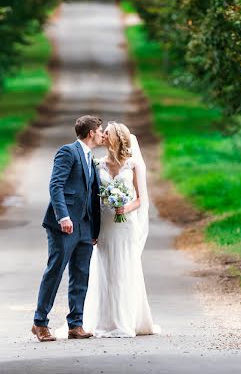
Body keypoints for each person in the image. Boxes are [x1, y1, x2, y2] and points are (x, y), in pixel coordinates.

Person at [82, 121, 159, 337]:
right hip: (105, 225)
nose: (103, 135)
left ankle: (126, 320)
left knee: (125, 270)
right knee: (105, 271)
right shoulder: (97, 164)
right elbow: (92, 198)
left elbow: (142, 199)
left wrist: (124, 208)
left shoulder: (133, 165)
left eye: (107, 133)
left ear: (117, 138)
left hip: (126, 227)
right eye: (102, 132)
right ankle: (104, 321)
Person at [31, 115, 103, 342]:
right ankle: (40, 323)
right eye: (101, 131)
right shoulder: (68, 152)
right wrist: (63, 216)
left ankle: (76, 324)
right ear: (91, 132)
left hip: (85, 225)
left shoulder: (91, 158)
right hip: (64, 224)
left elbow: (91, 194)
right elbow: (56, 185)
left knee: (81, 274)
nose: (103, 135)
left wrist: (94, 228)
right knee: (55, 270)